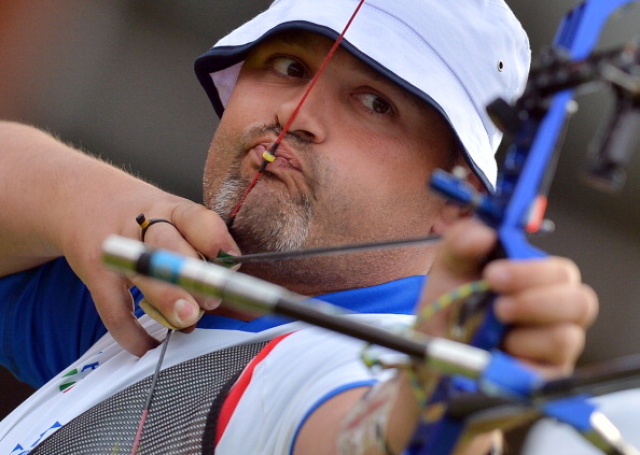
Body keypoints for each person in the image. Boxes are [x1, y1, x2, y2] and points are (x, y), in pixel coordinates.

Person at [0, 0, 598, 454]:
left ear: (462, 199)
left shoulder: (348, 365)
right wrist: (104, 201)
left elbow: (375, 430)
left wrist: (442, 387)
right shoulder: (156, 306)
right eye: (289, 66)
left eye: (374, 104)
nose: (297, 113)